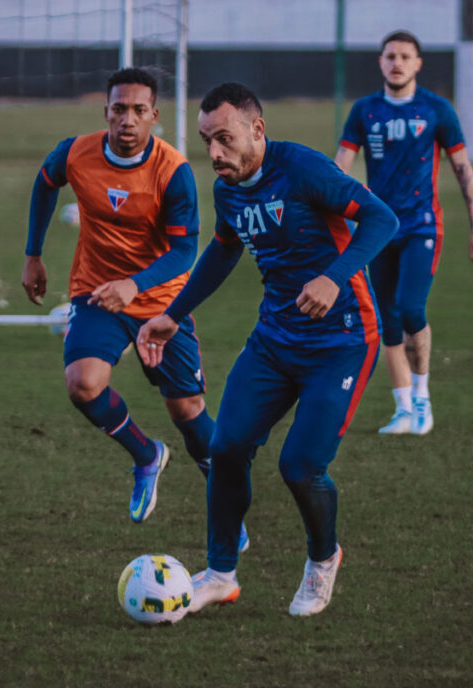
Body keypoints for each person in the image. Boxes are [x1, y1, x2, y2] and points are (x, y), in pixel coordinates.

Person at [137, 83, 398, 616]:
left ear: (257, 130)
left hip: (343, 341)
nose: (214, 153)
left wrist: (333, 277)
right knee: (226, 447)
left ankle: (323, 558)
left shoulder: (303, 168)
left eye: (225, 139)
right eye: (207, 141)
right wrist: (172, 315)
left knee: (300, 466)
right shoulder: (228, 189)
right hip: (275, 341)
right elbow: (223, 250)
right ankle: (220, 572)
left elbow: (382, 219)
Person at [22, 68, 247, 547]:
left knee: (187, 410)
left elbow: (186, 253)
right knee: (83, 384)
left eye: (138, 111)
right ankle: (146, 456)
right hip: (97, 291)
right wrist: (33, 255)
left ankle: (226, 508)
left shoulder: (173, 172)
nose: (128, 119)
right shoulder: (76, 152)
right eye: (119, 109)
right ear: (105, 112)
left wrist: (135, 285)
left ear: (154, 117)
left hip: (162, 303)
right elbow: (45, 183)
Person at [335, 30, 473, 435]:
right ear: (380, 61)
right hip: (378, 228)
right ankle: (404, 409)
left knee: (410, 308)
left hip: (423, 225)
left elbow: (463, 172)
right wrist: (332, 218)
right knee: (387, 318)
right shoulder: (365, 110)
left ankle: (422, 398)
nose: (397, 63)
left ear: (418, 63)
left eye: (405, 56)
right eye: (390, 55)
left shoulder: (438, 110)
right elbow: (340, 171)